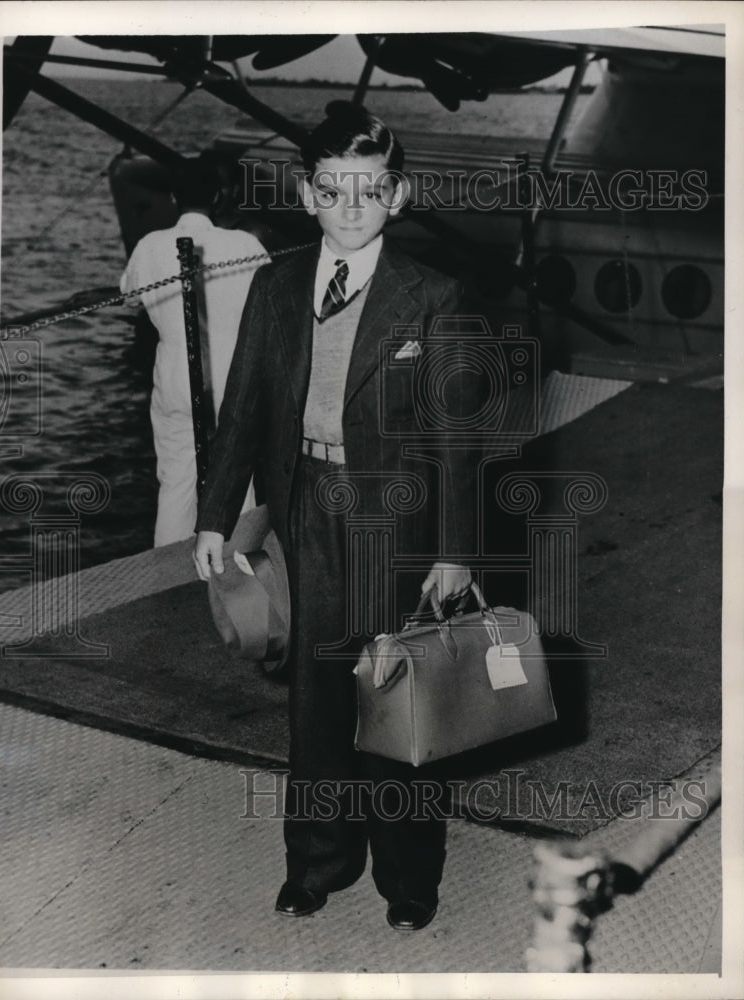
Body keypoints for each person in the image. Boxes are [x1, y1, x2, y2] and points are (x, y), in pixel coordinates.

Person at [193, 108, 484, 931]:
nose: (349, 207)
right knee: (316, 699)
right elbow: (242, 408)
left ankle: (408, 879)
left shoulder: (434, 295)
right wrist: (215, 515)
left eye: (368, 192)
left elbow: (457, 438)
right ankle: (316, 863)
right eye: (331, 190)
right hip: (306, 514)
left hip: (398, 521)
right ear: (305, 194)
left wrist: (455, 551)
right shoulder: (276, 284)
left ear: (397, 196)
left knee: (397, 698)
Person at [121, 155, 266, 546]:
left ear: (171, 197)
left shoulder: (149, 246)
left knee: (175, 486)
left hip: (177, 383)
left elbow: (129, 298)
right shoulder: (245, 244)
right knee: (240, 485)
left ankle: (169, 585)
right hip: (235, 382)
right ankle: (241, 580)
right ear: (218, 197)